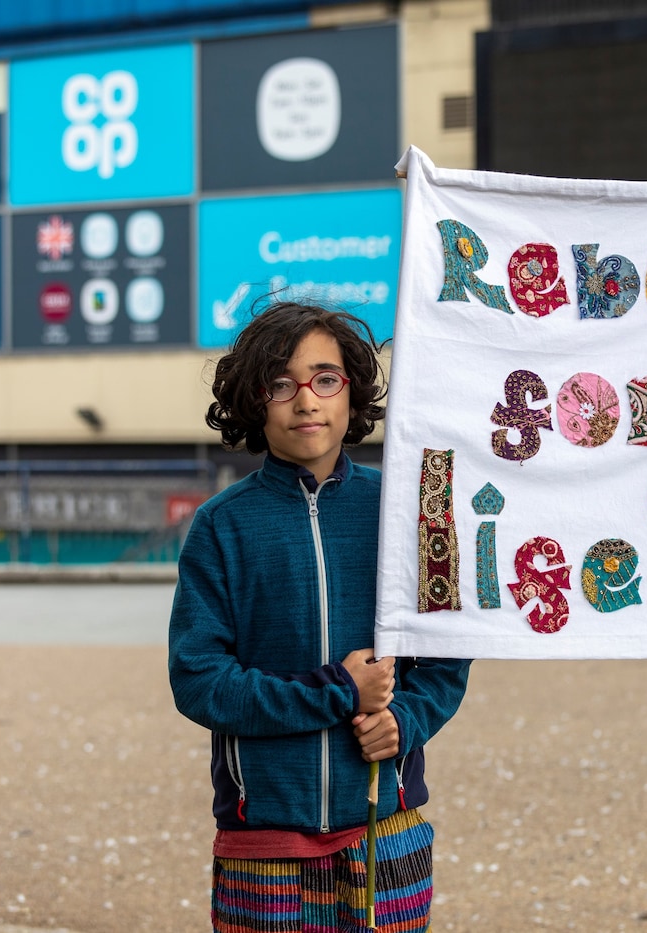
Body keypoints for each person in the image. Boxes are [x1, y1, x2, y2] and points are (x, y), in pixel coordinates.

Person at [169, 299, 471, 933]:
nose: (306, 400)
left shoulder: (402, 511)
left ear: (351, 390)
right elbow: (199, 681)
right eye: (281, 384)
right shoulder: (221, 527)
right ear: (254, 401)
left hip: (385, 825)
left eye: (325, 379)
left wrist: (406, 721)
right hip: (264, 834)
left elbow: (445, 652)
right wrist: (338, 692)